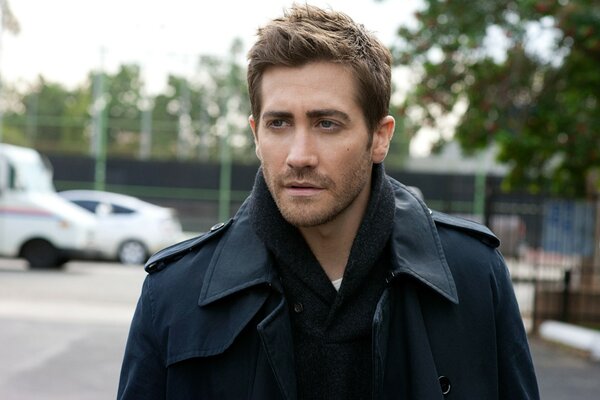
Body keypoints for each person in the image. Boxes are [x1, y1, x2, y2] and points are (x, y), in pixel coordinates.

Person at [117, 4, 539, 399]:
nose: (299, 155)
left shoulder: (473, 276)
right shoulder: (174, 294)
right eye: (279, 123)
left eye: (326, 124)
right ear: (255, 134)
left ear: (380, 137)